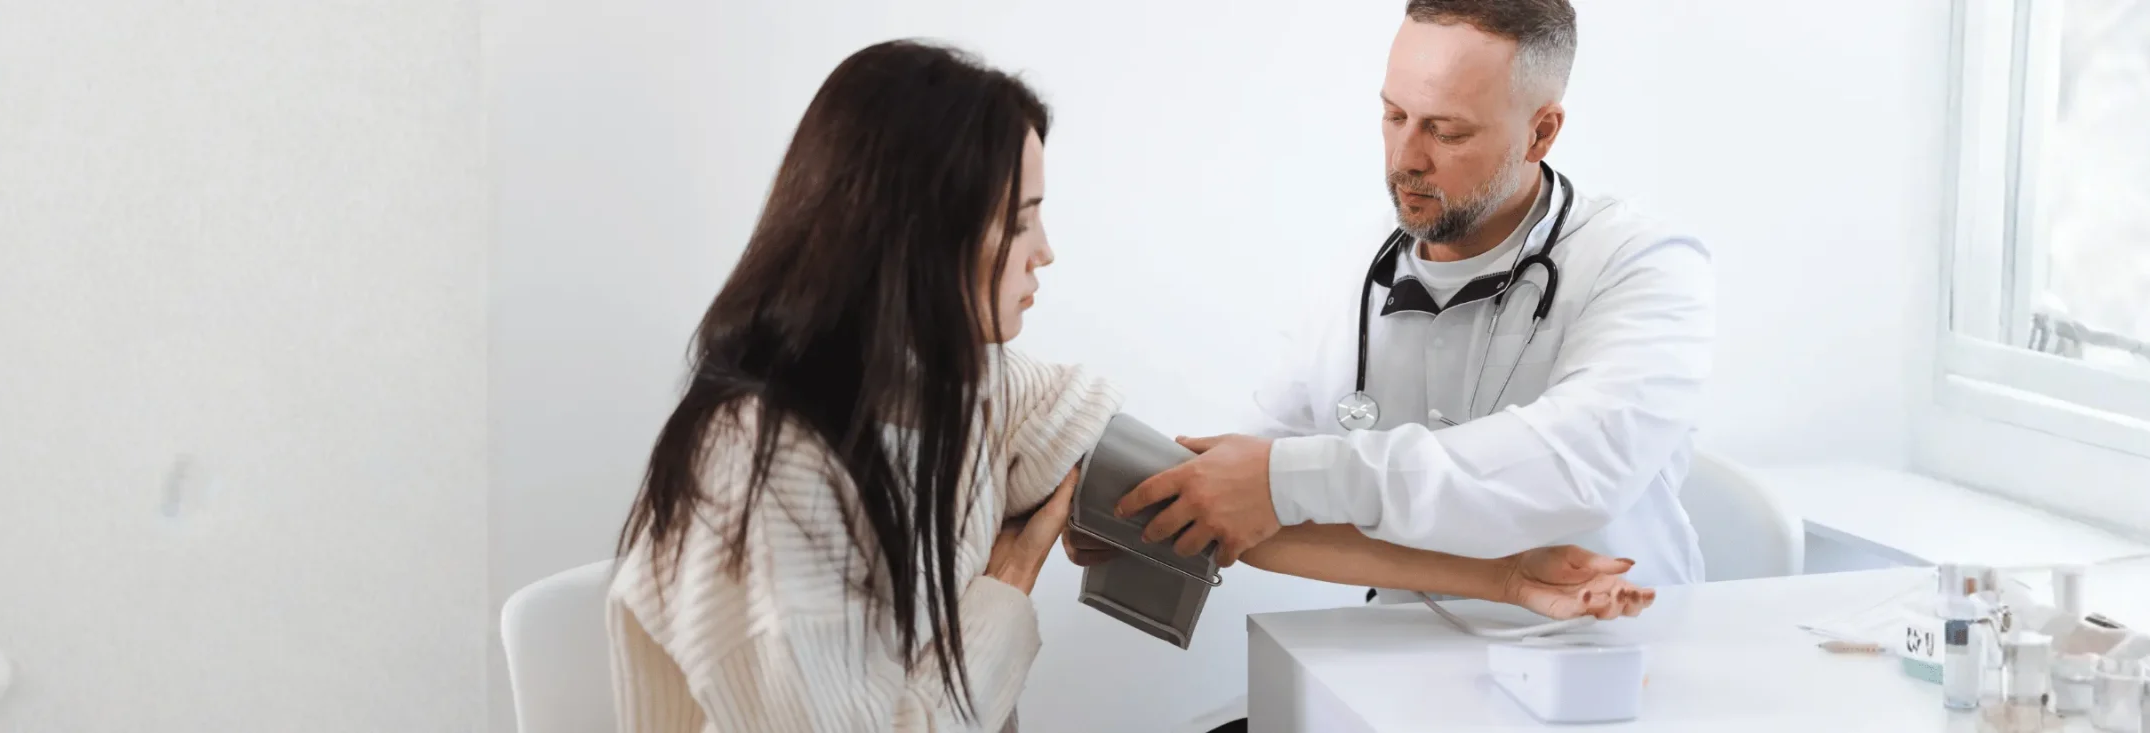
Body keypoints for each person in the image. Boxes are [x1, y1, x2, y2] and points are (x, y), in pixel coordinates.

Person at [606, 39, 1654, 733]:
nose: (1045, 252)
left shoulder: (972, 390)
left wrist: (1503, 577)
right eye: (1019, 220)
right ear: (916, 236)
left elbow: (1207, 504)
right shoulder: (758, 465)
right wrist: (1009, 580)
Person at [1116, 0, 1715, 594]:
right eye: (1394, 115)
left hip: (1613, 649)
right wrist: (1141, 506)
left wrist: (1288, 478)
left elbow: (1576, 463)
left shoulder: (1645, 264)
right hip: (1399, 649)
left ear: (1541, 132)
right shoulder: (1355, 263)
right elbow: (1255, 475)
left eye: (1446, 131)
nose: (1405, 160)